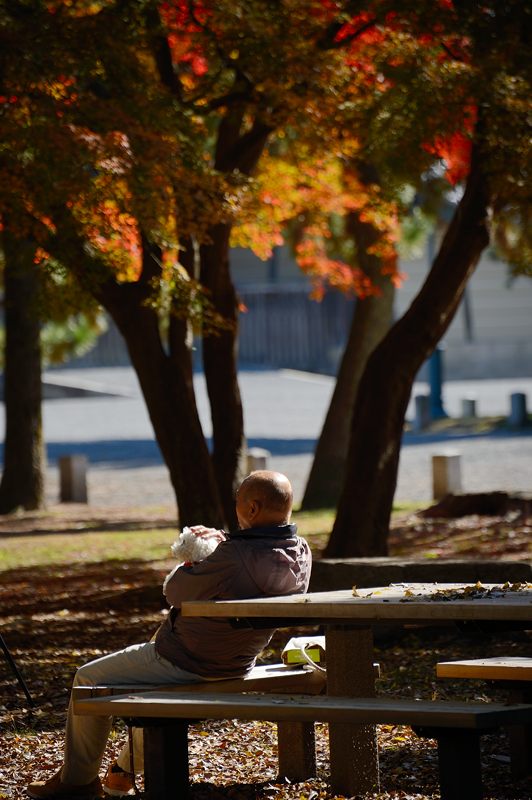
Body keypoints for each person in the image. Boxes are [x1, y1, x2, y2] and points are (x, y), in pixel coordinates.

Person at [27, 470, 312, 799]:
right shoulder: (300, 553)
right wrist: (223, 541)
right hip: (238, 660)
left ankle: (76, 782)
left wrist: (196, 556)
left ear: (252, 509)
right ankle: (121, 774)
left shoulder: (233, 557)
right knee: (152, 672)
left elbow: (174, 591)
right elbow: (251, 561)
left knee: (87, 678)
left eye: (238, 504)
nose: (235, 510)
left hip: (189, 660)